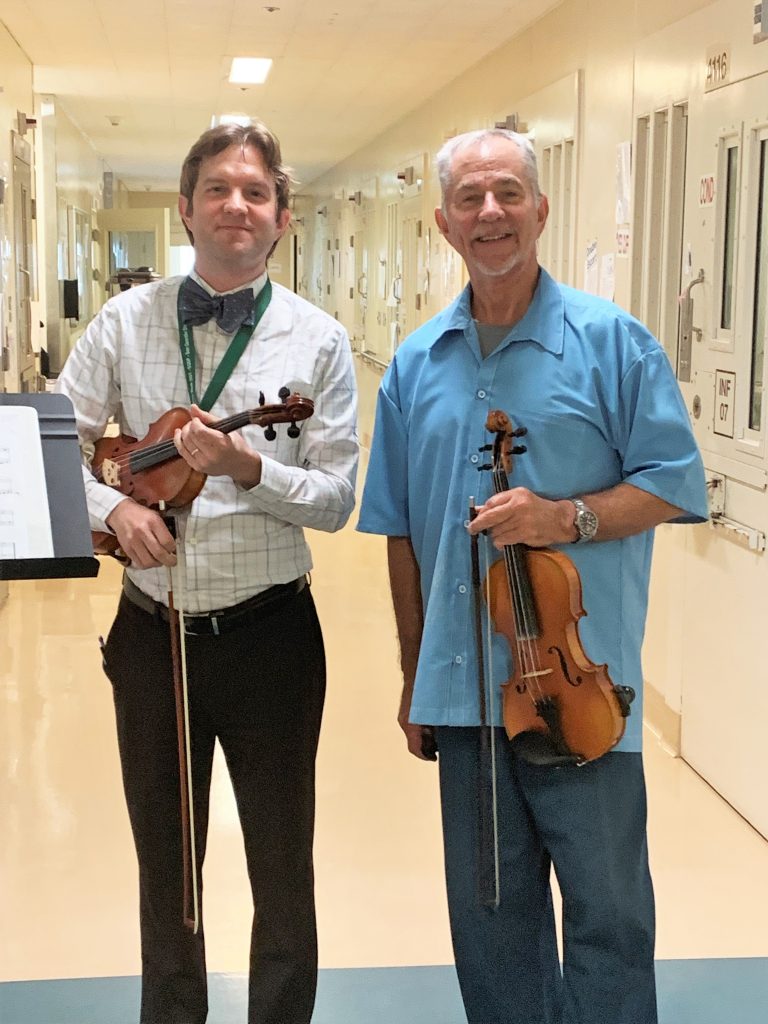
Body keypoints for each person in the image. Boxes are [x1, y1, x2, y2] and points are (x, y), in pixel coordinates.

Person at [357, 128, 708, 1024]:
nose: (491, 214)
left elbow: (673, 484)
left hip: (580, 692)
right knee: (492, 926)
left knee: (609, 918)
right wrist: (411, 675)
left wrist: (565, 518)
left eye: (509, 193)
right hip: (463, 693)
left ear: (541, 210)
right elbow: (397, 529)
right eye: (470, 199)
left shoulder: (613, 344)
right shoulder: (413, 366)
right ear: (442, 223)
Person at [56, 121, 358, 1024]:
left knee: (281, 862)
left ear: (282, 217)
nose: (238, 204)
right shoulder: (124, 319)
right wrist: (115, 509)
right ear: (185, 209)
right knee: (166, 868)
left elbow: (339, 496)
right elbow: (40, 450)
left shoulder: (319, 340)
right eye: (219, 189)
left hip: (272, 637)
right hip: (152, 637)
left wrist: (249, 469)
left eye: (256, 192)